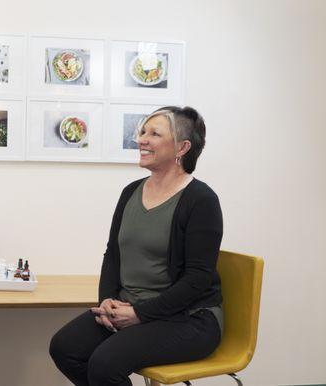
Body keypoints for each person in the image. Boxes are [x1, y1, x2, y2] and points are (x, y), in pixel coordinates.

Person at [49, 106, 223, 386]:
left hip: (188, 319)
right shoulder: (131, 191)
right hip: (130, 307)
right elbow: (113, 254)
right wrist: (106, 300)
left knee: (105, 364)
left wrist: (141, 314)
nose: (142, 139)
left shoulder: (201, 200)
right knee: (65, 348)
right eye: (142, 131)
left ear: (182, 147)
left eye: (154, 133)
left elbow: (198, 279)